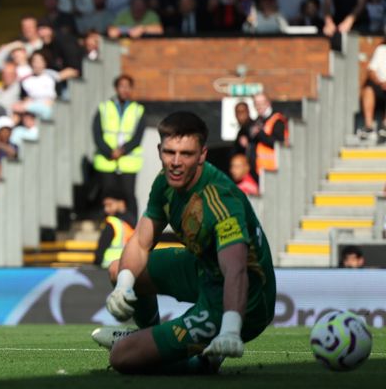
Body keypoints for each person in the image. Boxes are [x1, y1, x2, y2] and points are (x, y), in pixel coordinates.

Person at [92, 111, 276, 375]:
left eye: (186, 154)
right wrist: (123, 286)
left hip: (241, 300)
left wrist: (231, 328)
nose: (175, 162)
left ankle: (200, 362)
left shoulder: (221, 199)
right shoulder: (164, 184)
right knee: (119, 268)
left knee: (123, 356)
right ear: (159, 150)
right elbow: (141, 242)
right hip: (203, 269)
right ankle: (150, 336)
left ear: (202, 154)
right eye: (169, 152)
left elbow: (235, 270)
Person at [92, 75, 145, 226]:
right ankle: (107, 226)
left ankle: (132, 226)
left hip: (128, 161)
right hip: (107, 160)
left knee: (128, 194)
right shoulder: (104, 107)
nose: (124, 90)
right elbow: (97, 133)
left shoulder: (138, 110)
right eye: (121, 86)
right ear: (116, 88)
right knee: (108, 194)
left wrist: (122, 151)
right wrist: (109, 151)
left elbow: (137, 137)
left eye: (128, 86)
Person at [249, 93, 288, 180]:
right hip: (259, 169)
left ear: (268, 103)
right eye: (256, 104)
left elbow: (279, 143)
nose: (258, 106)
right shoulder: (258, 120)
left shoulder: (277, 120)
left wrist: (260, 134)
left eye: (261, 103)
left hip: (271, 169)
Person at [93, 187, 134, 268]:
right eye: (105, 205)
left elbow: (100, 252)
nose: (106, 209)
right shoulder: (134, 222)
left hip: (108, 269)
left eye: (109, 204)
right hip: (129, 267)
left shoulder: (112, 223)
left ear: (121, 203)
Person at [358, 40, 386, 142]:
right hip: (380, 85)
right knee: (368, 89)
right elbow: (371, 71)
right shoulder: (381, 49)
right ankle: (369, 127)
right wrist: (378, 81)